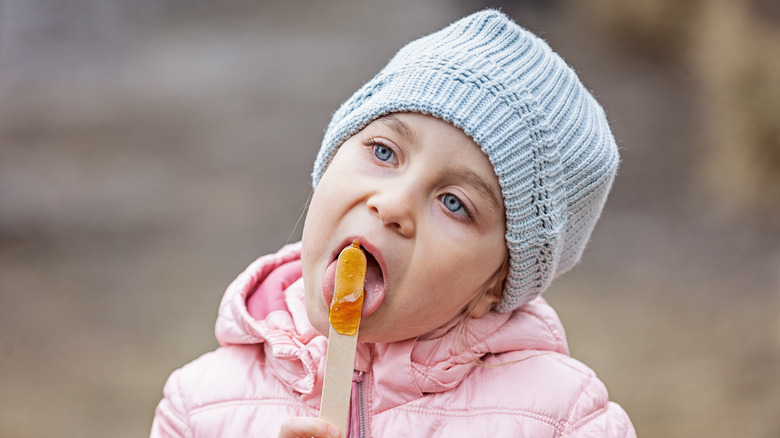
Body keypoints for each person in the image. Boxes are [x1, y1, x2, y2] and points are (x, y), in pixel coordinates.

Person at [151, 9, 636, 437]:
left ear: (495, 284)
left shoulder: (566, 420)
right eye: (384, 152)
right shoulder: (197, 408)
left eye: (454, 203)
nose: (393, 204)